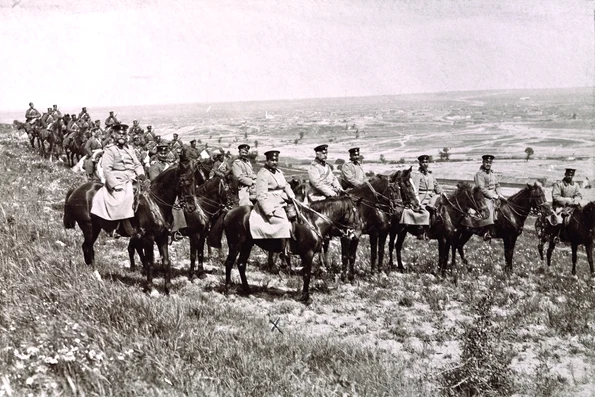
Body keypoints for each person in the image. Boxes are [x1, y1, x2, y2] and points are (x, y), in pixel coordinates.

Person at [90, 123, 147, 238]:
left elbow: (137, 164)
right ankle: (118, 227)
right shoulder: (110, 150)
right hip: (118, 179)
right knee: (124, 197)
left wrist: (141, 174)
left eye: (124, 134)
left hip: (133, 178)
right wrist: (115, 185)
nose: (122, 136)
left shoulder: (129, 148)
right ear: (114, 135)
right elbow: (107, 170)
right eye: (119, 134)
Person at [252, 150, 297, 246]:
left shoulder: (279, 172)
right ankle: (283, 249)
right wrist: (268, 210)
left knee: (297, 217)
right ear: (267, 161)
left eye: (276, 160)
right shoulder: (263, 174)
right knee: (283, 222)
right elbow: (260, 195)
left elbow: (285, 185)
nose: (275, 162)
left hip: (282, 201)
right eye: (272, 160)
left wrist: (292, 196)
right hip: (270, 203)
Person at [474, 154, 506, 240]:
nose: (488, 164)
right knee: (489, 207)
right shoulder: (479, 174)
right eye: (486, 162)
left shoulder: (492, 173)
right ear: (483, 162)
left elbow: (497, 185)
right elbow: (481, 189)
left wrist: (499, 194)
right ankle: (487, 231)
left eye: (490, 162)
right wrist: (493, 196)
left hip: (494, 195)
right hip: (483, 196)